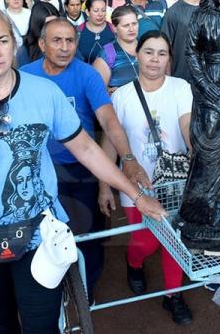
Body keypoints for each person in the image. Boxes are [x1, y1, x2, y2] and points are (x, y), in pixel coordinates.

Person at [0, 6, 166, 333]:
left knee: (42, 322)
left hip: (39, 232)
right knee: (1, 318)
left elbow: (86, 148)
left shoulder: (44, 92)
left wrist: (135, 193)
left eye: (2, 41)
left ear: (15, 43)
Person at [20, 18, 151, 300]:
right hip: (39, 170)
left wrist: (128, 159)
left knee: (90, 234)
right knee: (42, 235)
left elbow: (108, 118)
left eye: (70, 41)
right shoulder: (25, 76)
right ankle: (52, 288)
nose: (65, 47)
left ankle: (85, 290)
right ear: (42, 44)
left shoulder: (87, 75)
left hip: (82, 168)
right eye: (57, 41)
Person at [98, 30, 193, 325]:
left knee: (174, 241)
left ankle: (172, 295)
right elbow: (110, 143)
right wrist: (104, 187)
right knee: (144, 242)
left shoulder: (181, 88)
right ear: (137, 54)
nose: (155, 59)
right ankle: (134, 261)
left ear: (169, 59)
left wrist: (196, 151)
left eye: (162, 53)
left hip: (176, 182)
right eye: (149, 52)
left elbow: (187, 124)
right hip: (136, 186)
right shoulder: (122, 96)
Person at [161, 0, 205, 82]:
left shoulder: (212, 10)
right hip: (183, 81)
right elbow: (165, 51)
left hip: (211, 81)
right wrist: (169, 82)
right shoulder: (172, 13)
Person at [93, 5, 140, 92]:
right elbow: (96, 93)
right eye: (126, 25)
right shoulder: (108, 53)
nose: (131, 29)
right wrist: (108, 92)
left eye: (134, 24)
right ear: (114, 28)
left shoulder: (146, 47)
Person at [16, 1, 60, 67]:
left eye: (56, 23)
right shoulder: (25, 52)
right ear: (37, 26)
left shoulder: (66, 43)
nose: (54, 29)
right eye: (48, 25)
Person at [77, 0, 115, 64]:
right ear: (87, 12)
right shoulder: (78, 32)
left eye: (103, 10)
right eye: (96, 11)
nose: (100, 14)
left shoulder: (114, 30)